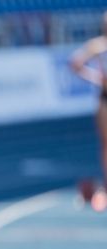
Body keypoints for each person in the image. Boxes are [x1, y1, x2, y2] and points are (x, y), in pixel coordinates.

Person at [71, 11, 107, 211]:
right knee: (106, 143)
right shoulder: (99, 46)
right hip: (105, 99)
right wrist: (96, 78)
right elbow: (75, 63)